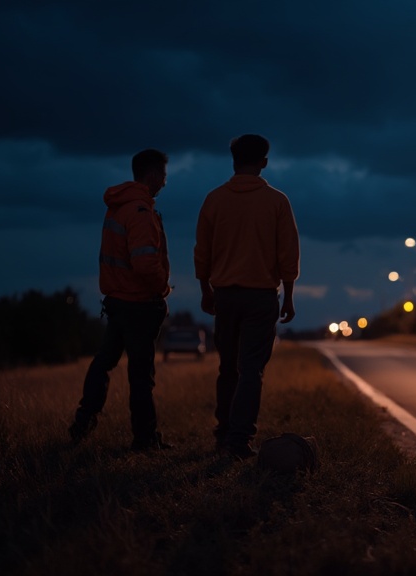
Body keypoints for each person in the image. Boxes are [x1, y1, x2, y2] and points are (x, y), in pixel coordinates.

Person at [194, 134, 300, 460]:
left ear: (234, 161)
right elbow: (288, 254)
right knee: (251, 369)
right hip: (261, 297)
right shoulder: (277, 201)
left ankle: (223, 432)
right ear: (264, 162)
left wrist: (205, 290)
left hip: (225, 296)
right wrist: (289, 296)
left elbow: (203, 252)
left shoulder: (214, 200)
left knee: (228, 368)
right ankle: (239, 441)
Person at [69, 148, 173, 451]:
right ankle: (145, 440)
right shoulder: (140, 212)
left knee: (103, 363)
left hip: (116, 302)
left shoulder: (117, 207)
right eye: (164, 177)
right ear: (152, 175)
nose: (165, 183)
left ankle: (82, 424)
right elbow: (144, 264)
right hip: (138, 304)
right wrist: (162, 289)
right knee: (141, 376)